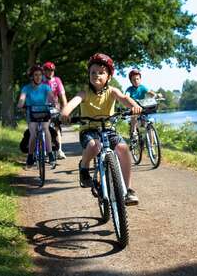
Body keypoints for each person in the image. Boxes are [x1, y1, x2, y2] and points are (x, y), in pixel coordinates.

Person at [61, 53, 142, 205]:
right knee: (94, 146)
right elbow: (72, 103)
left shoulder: (112, 91)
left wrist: (135, 107)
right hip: (89, 130)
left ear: (109, 77)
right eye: (93, 72)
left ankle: (128, 190)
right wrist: (65, 114)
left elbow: (124, 99)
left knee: (123, 148)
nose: (96, 75)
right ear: (88, 74)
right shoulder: (84, 92)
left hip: (109, 129)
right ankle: (84, 168)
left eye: (101, 72)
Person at [17, 64, 56, 168]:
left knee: (45, 128)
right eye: (35, 75)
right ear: (31, 77)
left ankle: (50, 154)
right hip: (32, 113)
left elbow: (52, 97)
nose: (38, 77)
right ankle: (30, 156)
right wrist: (21, 104)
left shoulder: (45, 87)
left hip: (44, 112)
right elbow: (22, 98)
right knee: (33, 133)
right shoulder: (26, 88)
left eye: (40, 75)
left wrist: (54, 102)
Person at [42, 61, 68, 160]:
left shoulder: (57, 80)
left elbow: (62, 95)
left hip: (54, 108)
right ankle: (40, 149)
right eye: (48, 70)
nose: (50, 72)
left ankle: (59, 150)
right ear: (44, 71)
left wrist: (65, 109)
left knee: (56, 127)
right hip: (41, 107)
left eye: (52, 70)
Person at [125, 69, 161, 139]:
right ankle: (134, 132)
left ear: (140, 79)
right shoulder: (129, 89)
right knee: (134, 116)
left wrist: (156, 95)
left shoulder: (142, 87)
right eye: (133, 80)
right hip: (134, 108)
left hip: (143, 107)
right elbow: (126, 96)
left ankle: (151, 146)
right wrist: (128, 99)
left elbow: (150, 92)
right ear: (131, 81)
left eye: (137, 79)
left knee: (149, 124)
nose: (136, 81)